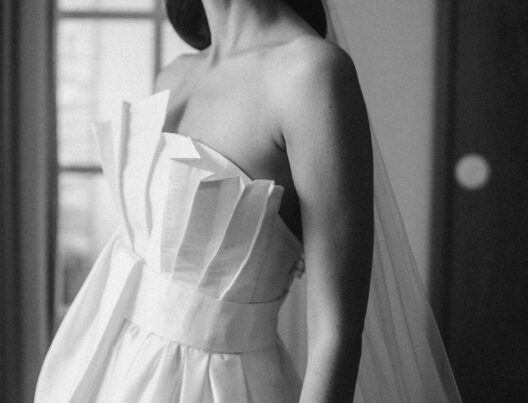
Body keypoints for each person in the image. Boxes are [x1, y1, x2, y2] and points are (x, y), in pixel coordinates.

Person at [35, 1, 460, 402]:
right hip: (113, 370)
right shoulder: (174, 76)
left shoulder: (309, 73)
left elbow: (337, 331)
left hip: (217, 386)